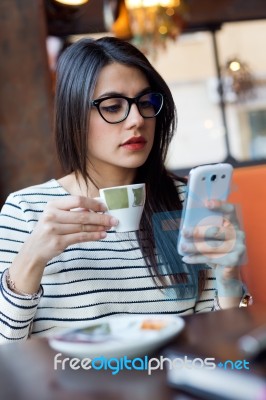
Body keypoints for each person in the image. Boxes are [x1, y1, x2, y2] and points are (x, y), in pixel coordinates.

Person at [0, 37, 246, 343]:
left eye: (146, 103)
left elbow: (220, 342)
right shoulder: (26, 211)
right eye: (113, 106)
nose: (137, 120)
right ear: (73, 115)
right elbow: (7, 356)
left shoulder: (187, 203)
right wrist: (29, 260)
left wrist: (229, 277)